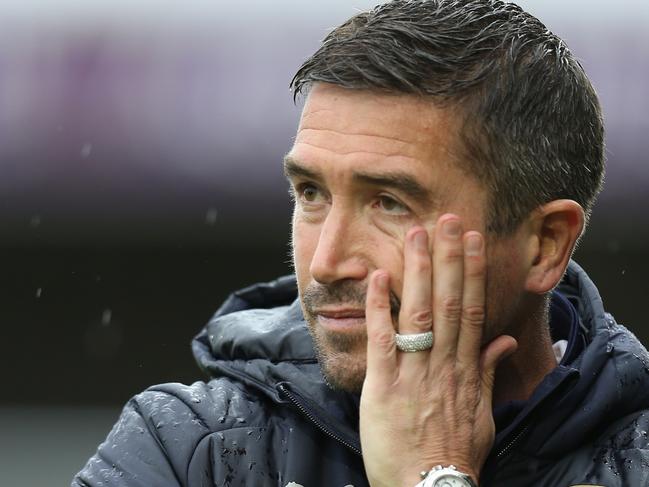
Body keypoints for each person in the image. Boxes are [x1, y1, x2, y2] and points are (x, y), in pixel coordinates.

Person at [73, 1, 649, 486]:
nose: (325, 263)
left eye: (388, 203)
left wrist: (430, 473)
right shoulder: (187, 451)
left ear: (545, 245)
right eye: (311, 193)